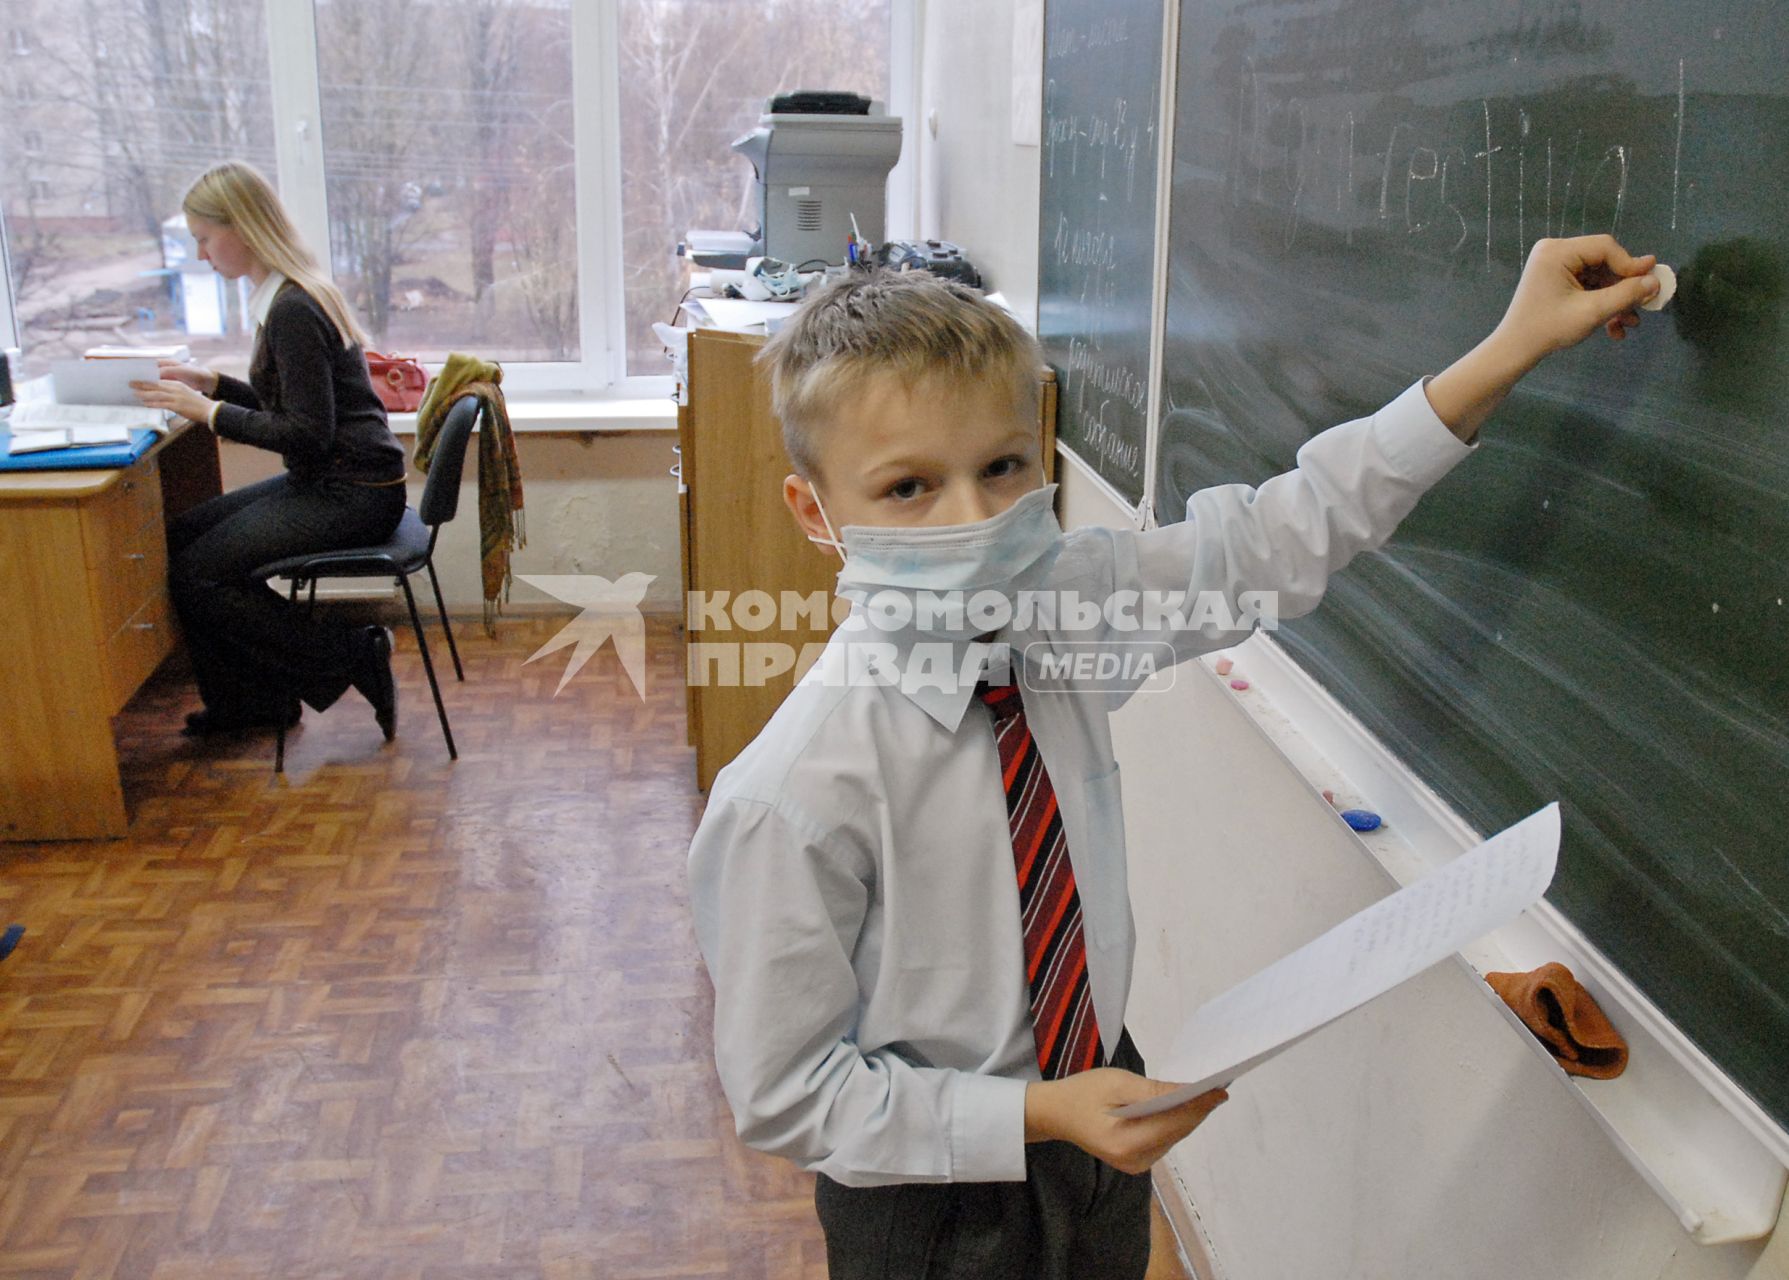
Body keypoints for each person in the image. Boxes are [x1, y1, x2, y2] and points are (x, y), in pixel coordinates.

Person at [686, 237, 1663, 1278]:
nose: (972, 518)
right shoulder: (789, 796)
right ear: (816, 513)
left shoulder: (1055, 613)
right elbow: (786, 1088)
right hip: (934, 1199)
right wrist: (1032, 1111)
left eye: (1003, 466)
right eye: (908, 487)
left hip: (1103, 1110)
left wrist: (1507, 349)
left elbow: (1276, 538)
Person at [133, 160, 408, 739]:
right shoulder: (286, 294)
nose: (203, 255)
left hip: (352, 493)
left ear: (242, 228)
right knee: (184, 538)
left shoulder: (290, 309)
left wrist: (207, 413)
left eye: (206, 239)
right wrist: (211, 384)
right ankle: (255, 701)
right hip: (338, 480)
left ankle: (350, 655)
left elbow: (306, 431)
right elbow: (293, 404)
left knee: (199, 574)